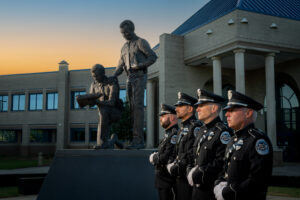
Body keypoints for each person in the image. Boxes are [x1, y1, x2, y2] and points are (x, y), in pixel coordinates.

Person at [214, 90, 273, 200]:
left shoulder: (258, 140)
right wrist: (219, 183)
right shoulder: (233, 139)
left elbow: (258, 180)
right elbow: (225, 169)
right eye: (227, 111)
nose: (226, 114)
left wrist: (229, 192)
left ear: (248, 113)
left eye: (232, 110)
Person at [113, 20, 157, 149]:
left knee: (137, 108)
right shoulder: (124, 47)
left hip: (139, 76)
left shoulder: (141, 42)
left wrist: (140, 65)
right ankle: (133, 140)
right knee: (131, 109)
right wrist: (113, 76)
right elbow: (120, 65)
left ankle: (138, 141)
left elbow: (153, 57)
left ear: (132, 29)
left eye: (126, 31)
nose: (124, 34)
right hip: (129, 78)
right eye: (122, 33)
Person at [187, 89, 232, 200]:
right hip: (196, 190)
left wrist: (199, 173)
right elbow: (194, 156)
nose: (197, 109)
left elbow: (222, 162)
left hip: (210, 191)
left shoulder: (222, 132)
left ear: (214, 108)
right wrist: (190, 170)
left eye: (201, 105)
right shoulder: (202, 130)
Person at [167, 92, 202, 200]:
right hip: (178, 178)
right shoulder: (182, 128)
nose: (176, 109)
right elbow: (176, 152)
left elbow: (193, 154)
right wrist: (171, 164)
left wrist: (179, 167)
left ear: (190, 109)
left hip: (188, 180)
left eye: (180, 106)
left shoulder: (195, 127)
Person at [149, 104, 179, 200]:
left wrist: (154, 158)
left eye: (163, 116)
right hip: (162, 181)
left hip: (168, 181)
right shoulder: (167, 135)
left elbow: (166, 157)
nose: (160, 119)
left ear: (172, 118)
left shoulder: (174, 134)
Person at [89, 64, 122, 149]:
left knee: (104, 110)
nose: (95, 78)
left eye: (97, 75)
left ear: (103, 73)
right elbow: (91, 101)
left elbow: (112, 102)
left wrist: (98, 102)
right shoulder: (94, 85)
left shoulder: (112, 82)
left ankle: (103, 142)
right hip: (102, 114)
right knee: (102, 112)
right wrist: (86, 101)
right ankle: (113, 140)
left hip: (115, 112)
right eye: (94, 76)